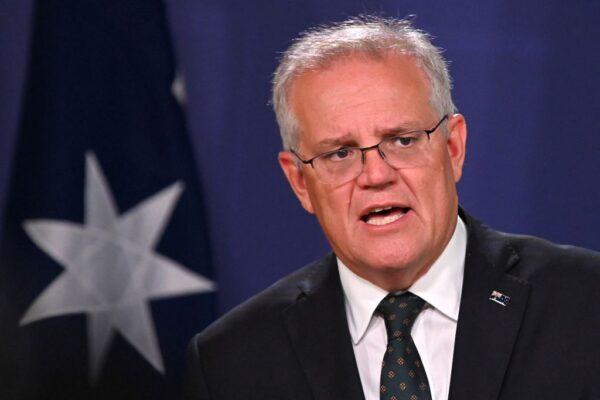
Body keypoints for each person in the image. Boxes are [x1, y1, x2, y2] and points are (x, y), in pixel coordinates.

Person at [185, 16, 600, 400]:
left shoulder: (585, 304)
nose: (375, 175)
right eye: (340, 153)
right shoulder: (231, 364)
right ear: (299, 182)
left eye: (403, 140)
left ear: (453, 148)